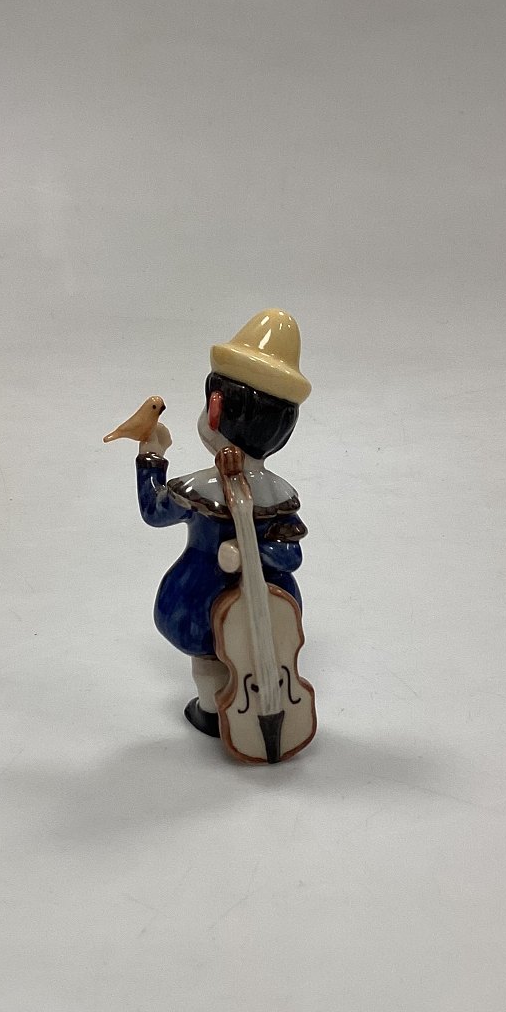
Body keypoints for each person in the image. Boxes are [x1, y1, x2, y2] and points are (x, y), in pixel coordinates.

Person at [136, 309, 311, 736]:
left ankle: (212, 709)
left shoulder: (198, 488)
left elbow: (154, 512)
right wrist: (266, 553)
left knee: (208, 655)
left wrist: (150, 459)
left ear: (214, 410)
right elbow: (290, 555)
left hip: (199, 593)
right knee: (256, 644)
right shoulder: (279, 493)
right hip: (271, 598)